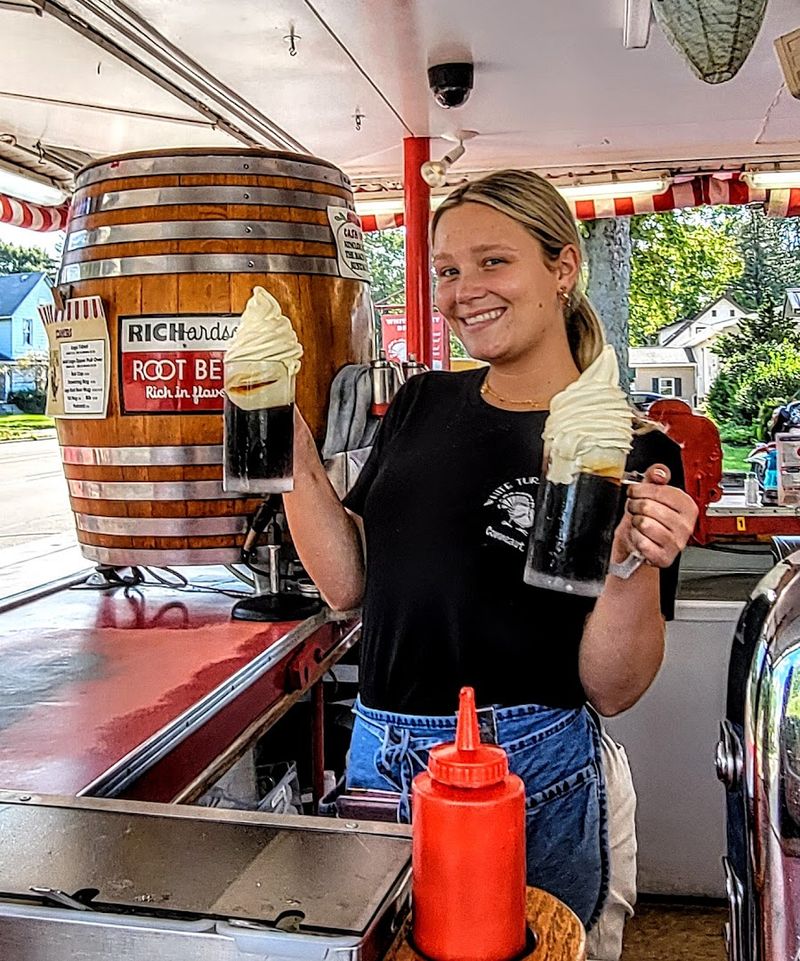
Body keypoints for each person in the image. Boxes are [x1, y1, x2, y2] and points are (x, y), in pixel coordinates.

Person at [284, 169, 699, 961]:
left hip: (531, 765)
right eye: (447, 269)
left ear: (563, 268)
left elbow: (612, 688)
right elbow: (348, 585)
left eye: (492, 261)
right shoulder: (422, 403)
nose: (463, 289)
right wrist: (293, 449)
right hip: (381, 755)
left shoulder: (632, 450)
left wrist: (633, 563)